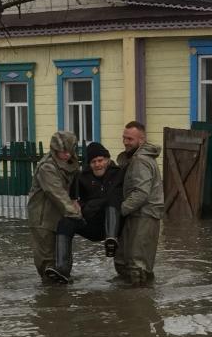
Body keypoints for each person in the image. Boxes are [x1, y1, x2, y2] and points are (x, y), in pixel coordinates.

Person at [50, 142, 123, 280]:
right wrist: (86, 206)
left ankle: (111, 240)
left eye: (100, 160)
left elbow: (119, 198)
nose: (97, 164)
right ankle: (62, 268)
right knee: (65, 222)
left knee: (112, 200)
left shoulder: (118, 174)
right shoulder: (82, 177)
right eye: (93, 162)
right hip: (91, 221)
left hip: (115, 225)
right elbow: (75, 202)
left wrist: (95, 203)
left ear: (107, 160)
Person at [27, 130, 81, 281]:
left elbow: (74, 188)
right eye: (62, 152)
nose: (66, 155)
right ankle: (49, 298)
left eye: (69, 151)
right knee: (47, 261)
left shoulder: (71, 163)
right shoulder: (47, 167)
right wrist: (76, 214)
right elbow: (56, 193)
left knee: (64, 259)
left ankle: (61, 296)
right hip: (42, 219)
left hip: (60, 217)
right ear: (55, 150)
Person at [114, 121, 163, 283]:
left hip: (144, 216)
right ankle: (135, 301)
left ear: (141, 140)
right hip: (139, 215)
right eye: (124, 138)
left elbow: (141, 193)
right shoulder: (138, 158)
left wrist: (119, 210)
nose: (125, 142)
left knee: (137, 265)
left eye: (130, 139)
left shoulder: (140, 160)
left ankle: (140, 304)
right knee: (127, 261)